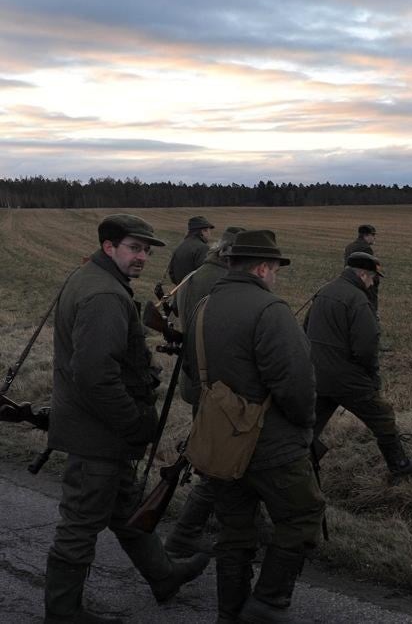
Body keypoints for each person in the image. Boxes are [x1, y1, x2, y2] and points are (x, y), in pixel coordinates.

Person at [45, 214, 209, 622]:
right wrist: (133, 422)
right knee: (81, 524)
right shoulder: (104, 295)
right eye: (134, 248)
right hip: (97, 432)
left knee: (125, 507)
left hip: (98, 429)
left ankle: (164, 575)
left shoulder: (91, 278)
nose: (142, 258)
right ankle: (63, 612)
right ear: (109, 247)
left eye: (146, 251)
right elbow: (95, 375)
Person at [182, 229, 325, 621]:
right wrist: (305, 427)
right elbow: (297, 385)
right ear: (263, 267)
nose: (275, 275)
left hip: (221, 445)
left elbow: (194, 374)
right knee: (301, 517)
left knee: (235, 533)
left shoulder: (203, 308)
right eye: (275, 268)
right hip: (272, 446)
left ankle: (230, 614)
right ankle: (267, 603)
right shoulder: (270, 310)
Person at [163, 225, 245, 558]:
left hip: (194, 378)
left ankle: (202, 522)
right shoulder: (224, 282)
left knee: (210, 451)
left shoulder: (194, 276)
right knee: (217, 457)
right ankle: (194, 528)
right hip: (218, 385)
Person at [307, 252, 412, 478]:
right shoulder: (358, 299)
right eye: (373, 278)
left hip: (317, 374)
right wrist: (371, 377)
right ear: (362, 274)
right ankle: (399, 465)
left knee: (309, 426)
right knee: (383, 416)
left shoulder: (323, 291)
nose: (372, 283)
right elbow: (367, 346)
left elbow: (305, 330)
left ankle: (300, 466)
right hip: (347, 377)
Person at [167, 215, 214, 284]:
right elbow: (204, 274)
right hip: (195, 292)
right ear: (203, 231)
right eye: (208, 231)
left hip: (180, 291)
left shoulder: (180, 246)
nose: (209, 234)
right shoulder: (203, 248)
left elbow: (172, 273)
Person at [343, 224, 380, 314]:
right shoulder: (366, 248)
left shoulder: (350, 246)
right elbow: (369, 269)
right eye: (373, 235)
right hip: (362, 282)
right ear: (366, 235)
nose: (374, 238)